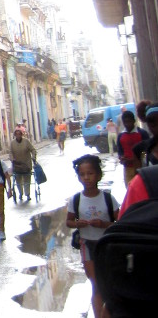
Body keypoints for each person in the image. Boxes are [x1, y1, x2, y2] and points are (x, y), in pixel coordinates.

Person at [65, 155, 118, 318]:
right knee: (96, 284)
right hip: (87, 244)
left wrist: (103, 225)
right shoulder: (76, 199)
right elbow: (69, 222)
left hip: (107, 246)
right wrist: (78, 223)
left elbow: (120, 222)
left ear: (98, 175)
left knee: (107, 284)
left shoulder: (108, 199)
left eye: (90, 173)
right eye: (82, 174)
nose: (86, 178)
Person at [116, 110, 150, 187]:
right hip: (128, 168)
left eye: (129, 122)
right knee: (130, 188)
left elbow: (147, 150)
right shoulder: (121, 136)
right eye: (125, 122)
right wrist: (121, 158)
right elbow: (120, 150)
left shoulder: (142, 133)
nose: (127, 124)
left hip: (142, 167)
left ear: (134, 121)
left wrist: (135, 159)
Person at [8, 128, 37, 201]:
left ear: (21, 134)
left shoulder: (26, 141)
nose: (18, 136)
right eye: (16, 134)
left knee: (27, 180)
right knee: (18, 181)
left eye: (19, 134)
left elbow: (33, 150)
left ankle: (27, 194)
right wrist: (12, 159)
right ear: (15, 135)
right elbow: (10, 152)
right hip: (17, 165)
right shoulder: (12, 143)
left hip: (26, 164)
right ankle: (20, 193)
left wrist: (33, 157)